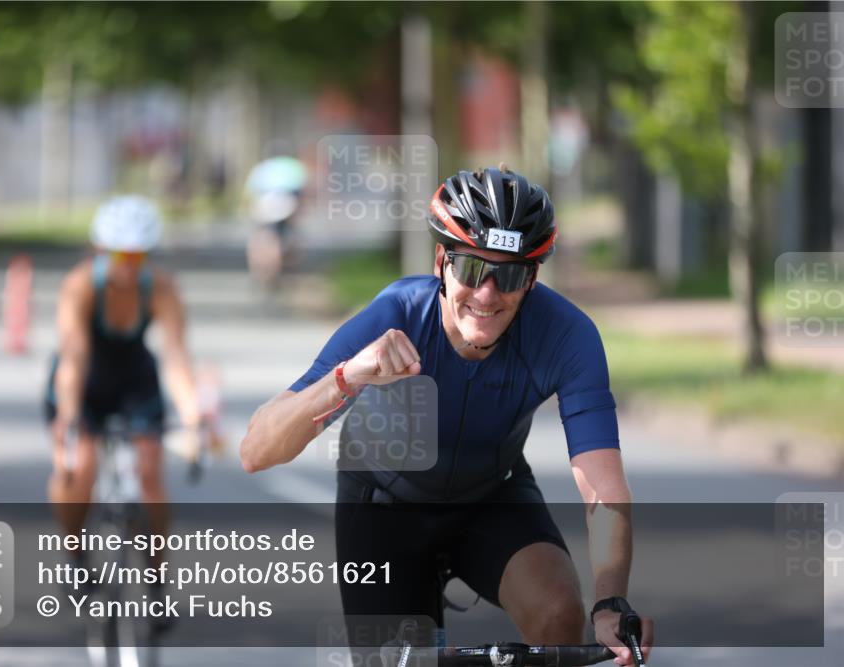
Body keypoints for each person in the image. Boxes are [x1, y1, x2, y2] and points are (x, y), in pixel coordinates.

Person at [240, 166, 654, 664]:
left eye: (509, 275)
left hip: (491, 496)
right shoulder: (395, 316)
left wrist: (610, 601)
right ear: (441, 262)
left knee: (559, 615)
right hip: (381, 509)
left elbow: (603, 489)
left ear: (532, 279)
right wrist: (346, 377)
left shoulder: (567, 336)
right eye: (472, 269)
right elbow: (255, 451)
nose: (486, 294)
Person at [45, 195, 202, 542]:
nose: (130, 266)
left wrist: (193, 418)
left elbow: (176, 356)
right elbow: (74, 357)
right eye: (121, 256)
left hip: (134, 376)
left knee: (149, 471)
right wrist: (68, 416)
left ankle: (157, 569)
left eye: (139, 257)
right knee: (79, 468)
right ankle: (75, 553)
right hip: (84, 378)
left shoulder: (160, 287)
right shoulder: (80, 286)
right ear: (101, 251)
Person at [242, 151, 308, 289]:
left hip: (264, 203)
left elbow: (251, 191)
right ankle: (286, 265)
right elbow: (302, 191)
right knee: (288, 235)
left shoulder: (262, 167)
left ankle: (260, 268)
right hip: (287, 203)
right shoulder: (295, 167)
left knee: (264, 236)